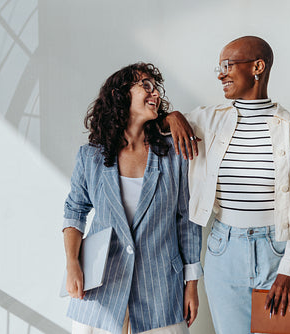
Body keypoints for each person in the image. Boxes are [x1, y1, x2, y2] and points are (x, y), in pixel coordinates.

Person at [165, 36, 290, 334]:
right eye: (218, 68)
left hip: (277, 250)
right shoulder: (207, 120)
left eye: (227, 65)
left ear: (257, 67)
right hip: (225, 250)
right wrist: (172, 116)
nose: (221, 74)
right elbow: (154, 127)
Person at [62, 62, 203, 334]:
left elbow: (187, 220)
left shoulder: (175, 153)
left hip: (160, 288)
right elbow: (74, 212)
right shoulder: (90, 156)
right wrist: (72, 264)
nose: (156, 94)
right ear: (120, 95)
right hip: (100, 288)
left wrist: (192, 284)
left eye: (156, 88)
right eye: (146, 86)